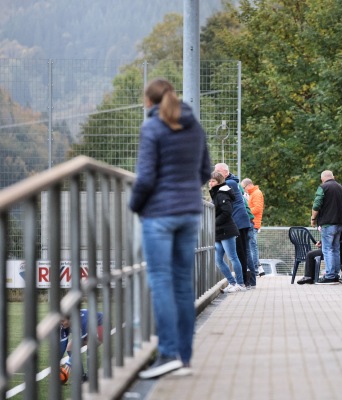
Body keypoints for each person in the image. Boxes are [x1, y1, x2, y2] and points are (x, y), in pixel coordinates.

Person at [130, 77, 212, 379]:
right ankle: (184, 358)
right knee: (182, 284)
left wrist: (135, 206)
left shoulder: (152, 127)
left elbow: (146, 177)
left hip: (159, 215)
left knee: (161, 281)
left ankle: (167, 353)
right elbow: (205, 171)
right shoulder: (195, 126)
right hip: (190, 213)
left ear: (149, 101)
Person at [214, 163, 256, 289]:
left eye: (217, 172)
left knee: (240, 253)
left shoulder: (230, 183)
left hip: (238, 222)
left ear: (225, 172)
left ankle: (242, 282)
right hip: (240, 221)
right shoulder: (232, 183)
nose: (214, 174)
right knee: (243, 252)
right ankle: (247, 282)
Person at [209, 172, 247, 293]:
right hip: (220, 231)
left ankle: (240, 284)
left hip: (226, 230)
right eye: (209, 181)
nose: (210, 183)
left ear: (219, 182)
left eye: (213, 181)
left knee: (232, 257)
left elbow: (227, 212)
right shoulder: (217, 193)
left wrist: (214, 222)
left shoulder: (221, 194)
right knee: (218, 260)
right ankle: (232, 282)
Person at [311, 170, 342, 284]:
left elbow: (316, 205)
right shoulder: (340, 187)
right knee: (336, 249)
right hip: (339, 223)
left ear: (322, 178)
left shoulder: (323, 187)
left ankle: (330, 275)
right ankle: (336, 274)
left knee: (327, 250)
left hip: (328, 223)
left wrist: (313, 219)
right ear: (333, 177)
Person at [59, 309, 104, 382]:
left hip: (101, 324)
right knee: (70, 348)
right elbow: (63, 344)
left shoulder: (83, 321)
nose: (61, 323)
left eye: (63, 321)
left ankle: (91, 375)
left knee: (90, 344)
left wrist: (70, 361)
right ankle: (82, 377)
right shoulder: (64, 326)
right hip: (89, 331)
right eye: (60, 321)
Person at [241, 178, 265, 277]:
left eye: (243, 188)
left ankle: (254, 269)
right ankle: (256, 268)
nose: (243, 190)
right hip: (253, 222)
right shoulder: (254, 193)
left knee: (252, 247)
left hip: (254, 223)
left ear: (248, 185)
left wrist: (245, 210)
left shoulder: (256, 193)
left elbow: (258, 208)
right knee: (251, 246)